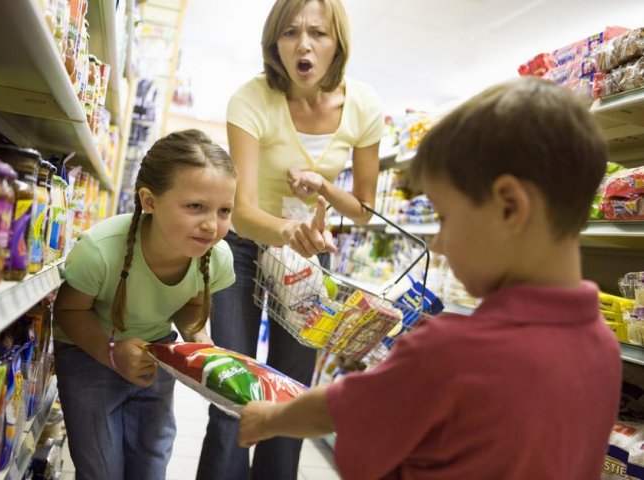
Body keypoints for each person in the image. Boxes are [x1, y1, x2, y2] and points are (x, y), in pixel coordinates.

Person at [236, 76, 623, 479]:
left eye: (444, 218)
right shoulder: (603, 349)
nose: (437, 245)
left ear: (510, 208)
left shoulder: (448, 351)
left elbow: (337, 410)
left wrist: (269, 419)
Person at [196, 0, 384, 478]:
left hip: (307, 259)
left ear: (337, 41)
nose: (303, 45)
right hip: (244, 247)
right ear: (274, 42)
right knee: (232, 391)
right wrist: (287, 232)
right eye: (290, 32)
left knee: (292, 393)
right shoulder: (251, 98)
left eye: (318, 33)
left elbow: (363, 210)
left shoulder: (363, 107)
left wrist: (323, 188)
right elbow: (243, 208)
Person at [53, 129, 237, 480]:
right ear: (149, 201)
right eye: (195, 206)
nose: (211, 224)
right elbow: (67, 311)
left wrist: (197, 336)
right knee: (101, 468)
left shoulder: (215, 257)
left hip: (155, 355)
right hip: (88, 356)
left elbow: (190, 303)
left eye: (224, 210)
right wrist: (110, 352)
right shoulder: (100, 250)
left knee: (151, 463)